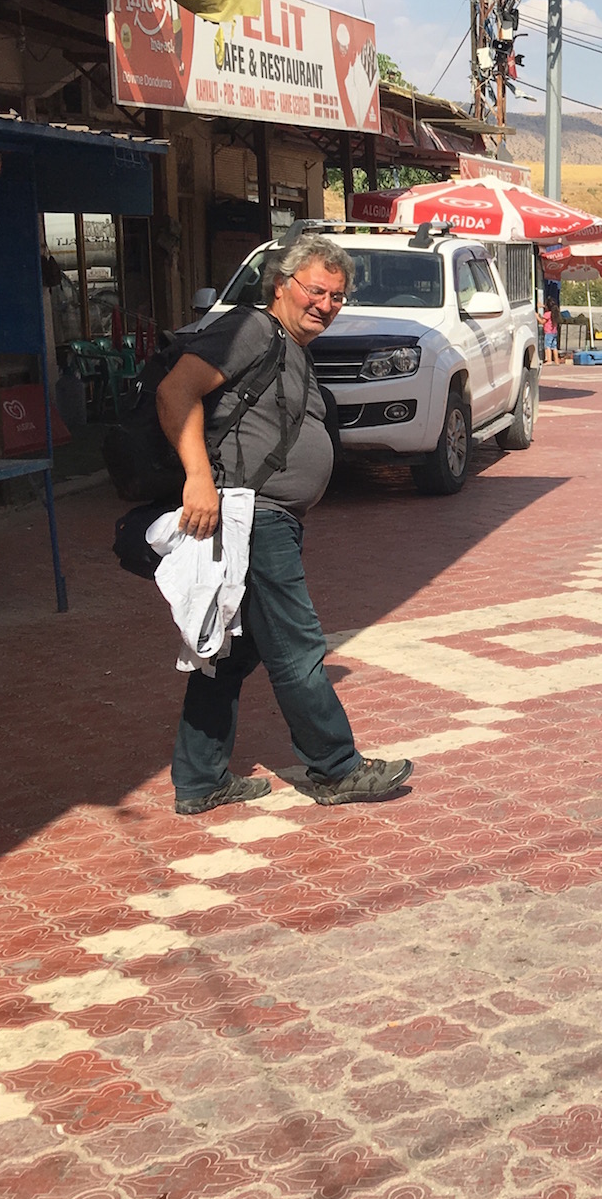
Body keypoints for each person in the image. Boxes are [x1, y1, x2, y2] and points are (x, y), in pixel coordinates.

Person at [158, 233, 413, 815]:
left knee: (231, 653)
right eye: (315, 291)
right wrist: (197, 477)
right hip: (252, 515)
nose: (325, 305)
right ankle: (337, 768)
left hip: (267, 518)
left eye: (337, 297)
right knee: (297, 645)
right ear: (281, 285)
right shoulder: (252, 329)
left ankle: (199, 779)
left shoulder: (292, 347)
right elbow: (176, 392)